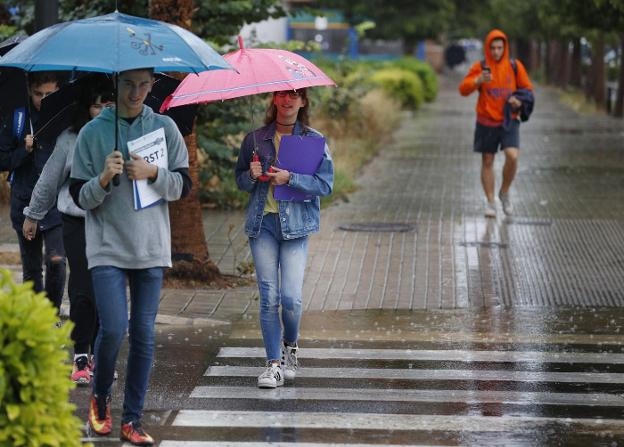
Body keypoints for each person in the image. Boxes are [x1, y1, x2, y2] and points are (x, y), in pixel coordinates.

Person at [70, 68, 191, 445]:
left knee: (143, 334)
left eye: (144, 84)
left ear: (152, 86)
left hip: (151, 246)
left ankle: (133, 420)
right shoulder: (92, 133)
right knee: (113, 328)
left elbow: (182, 187)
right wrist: (104, 178)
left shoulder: (166, 129)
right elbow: (79, 197)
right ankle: (101, 397)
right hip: (107, 245)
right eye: (128, 84)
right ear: (116, 85)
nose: (136, 91)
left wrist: (154, 172)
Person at [235, 89, 334, 389]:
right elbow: (240, 180)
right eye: (281, 95)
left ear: (303, 102)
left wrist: (290, 178)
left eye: (294, 96)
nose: (287, 100)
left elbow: (325, 185)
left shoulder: (314, 141)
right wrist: (251, 175)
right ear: (274, 100)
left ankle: (290, 347)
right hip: (262, 224)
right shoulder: (255, 139)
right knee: (269, 297)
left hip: (296, 228)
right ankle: (273, 365)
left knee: (291, 298)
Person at [22, 76, 114, 386]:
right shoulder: (69, 139)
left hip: (114, 222)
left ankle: (103, 354)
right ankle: (81, 354)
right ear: (86, 108)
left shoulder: (125, 138)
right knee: (83, 286)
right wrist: (33, 215)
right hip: (76, 220)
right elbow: (49, 180)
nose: (102, 111)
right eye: (97, 105)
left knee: (108, 288)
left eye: (109, 105)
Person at [0, 72, 66, 310]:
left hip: (56, 203)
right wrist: (23, 150)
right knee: (32, 269)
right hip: (24, 201)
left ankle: (52, 314)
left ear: (58, 89)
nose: (43, 99)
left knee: (57, 261)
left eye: (49, 94)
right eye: (38, 94)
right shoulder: (17, 118)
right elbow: (2, 160)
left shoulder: (65, 116)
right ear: (29, 90)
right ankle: (38, 318)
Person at [459, 29, 534, 218]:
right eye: (492, 48)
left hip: (509, 120)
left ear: (505, 47)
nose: (496, 52)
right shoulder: (481, 66)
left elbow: (528, 90)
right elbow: (463, 89)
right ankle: (491, 202)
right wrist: (477, 80)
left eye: (500, 48)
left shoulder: (515, 66)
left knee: (513, 156)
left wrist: (520, 102)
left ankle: (504, 192)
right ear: (487, 48)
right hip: (486, 120)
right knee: (487, 160)